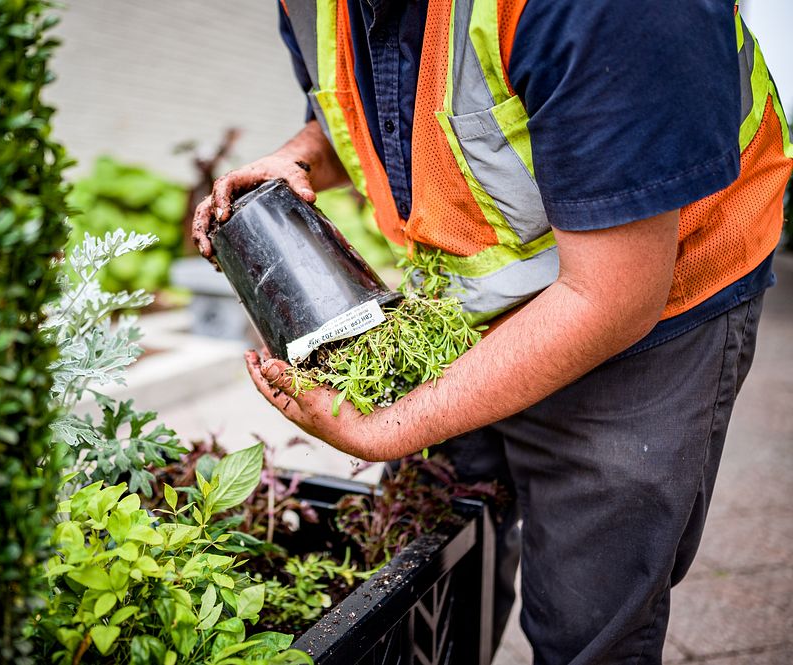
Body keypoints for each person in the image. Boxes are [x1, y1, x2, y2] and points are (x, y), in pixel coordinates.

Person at [192, 1, 792, 663]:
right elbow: (368, 115)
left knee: (587, 619)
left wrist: (392, 425)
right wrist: (298, 156)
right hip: (465, 301)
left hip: (658, 297)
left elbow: (612, 297)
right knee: (433, 560)